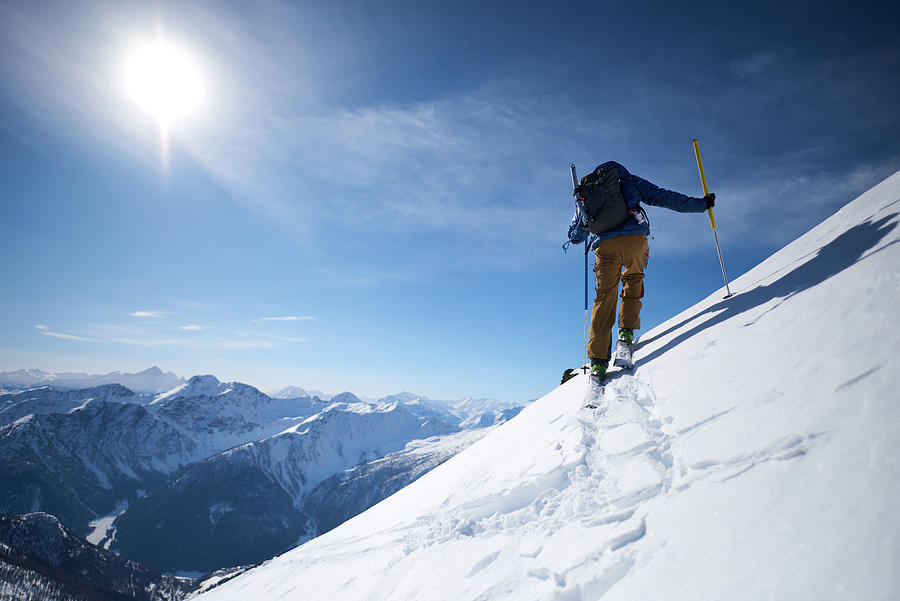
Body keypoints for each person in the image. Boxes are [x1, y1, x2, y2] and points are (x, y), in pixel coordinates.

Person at [566, 160, 714, 379]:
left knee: (604, 297)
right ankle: (625, 332)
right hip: (635, 240)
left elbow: (575, 236)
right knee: (633, 279)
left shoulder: (586, 193)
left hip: (605, 246)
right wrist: (702, 204)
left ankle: (597, 361)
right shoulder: (627, 180)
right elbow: (664, 197)